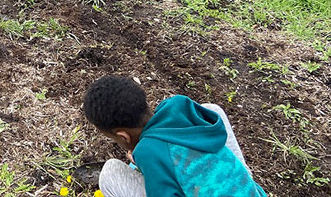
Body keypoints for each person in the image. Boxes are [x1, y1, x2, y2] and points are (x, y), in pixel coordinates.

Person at [83, 75, 266, 197]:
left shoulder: (148, 152)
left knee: (109, 173)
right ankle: (240, 177)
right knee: (211, 109)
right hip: (249, 191)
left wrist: (148, 161)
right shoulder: (177, 105)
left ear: (123, 137)